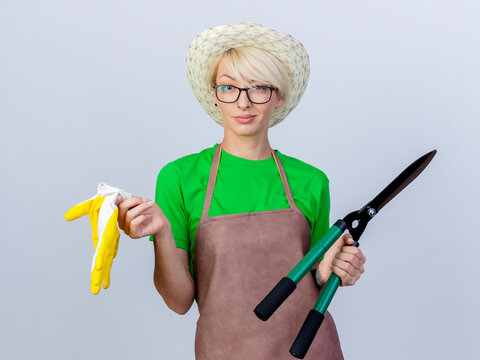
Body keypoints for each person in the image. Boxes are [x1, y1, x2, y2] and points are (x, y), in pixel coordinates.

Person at [115, 22, 366, 359]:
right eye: (229, 87)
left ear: (278, 96)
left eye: (259, 88)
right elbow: (178, 301)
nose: (243, 102)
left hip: (311, 350)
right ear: (214, 93)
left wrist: (336, 270)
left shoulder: (312, 181)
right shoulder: (179, 177)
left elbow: (317, 277)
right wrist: (161, 234)